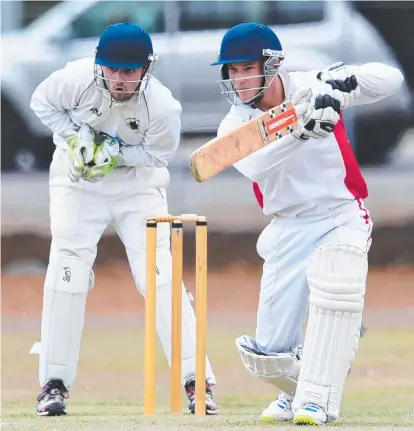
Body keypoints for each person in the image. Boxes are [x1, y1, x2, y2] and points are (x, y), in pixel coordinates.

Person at [210, 22, 404, 425]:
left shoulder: (313, 85)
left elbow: (392, 79)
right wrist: (299, 129)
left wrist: (343, 80)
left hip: (340, 215)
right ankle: (300, 387)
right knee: (267, 357)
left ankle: (316, 400)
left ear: (273, 64)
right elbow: (257, 163)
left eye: (248, 67)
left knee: (337, 287)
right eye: (232, 70)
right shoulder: (233, 126)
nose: (240, 78)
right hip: (288, 226)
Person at [30, 23, 218, 416]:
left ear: (146, 69)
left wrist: (113, 154)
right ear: (99, 63)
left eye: (129, 71)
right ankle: (53, 384)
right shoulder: (75, 79)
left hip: (138, 186)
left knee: (158, 273)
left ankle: (196, 380)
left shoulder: (163, 107)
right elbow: (41, 103)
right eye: (112, 69)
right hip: (78, 181)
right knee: (67, 268)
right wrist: (75, 139)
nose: (119, 80)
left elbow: (157, 155)